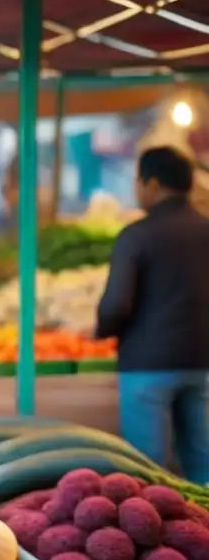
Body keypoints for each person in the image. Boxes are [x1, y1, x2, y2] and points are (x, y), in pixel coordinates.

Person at [96, 146, 209, 483]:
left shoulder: (136, 236)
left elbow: (117, 303)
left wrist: (103, 330)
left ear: (153, 184)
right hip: (203, 361)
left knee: (148, 473)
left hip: (147, 365)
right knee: (204, 467)